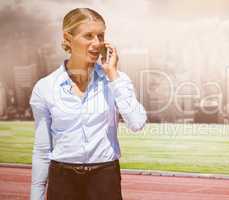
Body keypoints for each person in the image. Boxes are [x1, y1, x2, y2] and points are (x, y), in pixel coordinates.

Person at [29, 8, 147, 200]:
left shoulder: (117, 80)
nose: (97, 43)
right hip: (62, 180)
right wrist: (36, 196)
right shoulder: (45, 88)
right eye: (88, 36)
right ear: (68, 38)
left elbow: (136, 123)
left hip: (105, 178)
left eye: (101, 36)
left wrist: (113, 76)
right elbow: (42, 150)